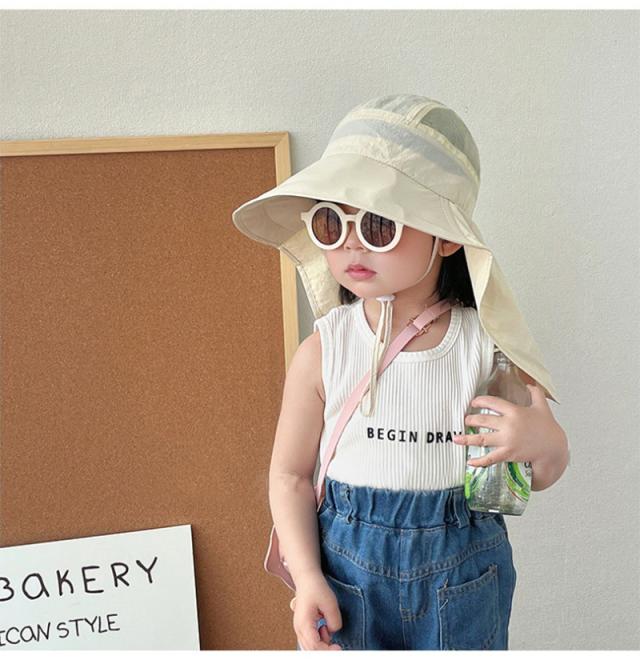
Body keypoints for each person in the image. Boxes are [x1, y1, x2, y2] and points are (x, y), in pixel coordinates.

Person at [231, 94, 570, 650]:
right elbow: (289, 476)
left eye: (379, 223)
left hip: (464, 568)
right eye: (331, 222)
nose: (351, 242)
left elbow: (539, 472)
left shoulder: (489, 346)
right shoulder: (324, 351)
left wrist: (544, 442)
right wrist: (307, 579)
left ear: (447, 235)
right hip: (346, 575)